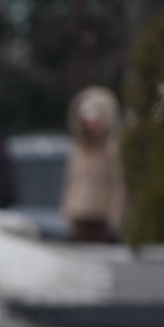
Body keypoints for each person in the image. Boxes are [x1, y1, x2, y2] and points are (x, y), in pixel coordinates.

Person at [61, 86, 126, 243]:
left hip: (101, 221)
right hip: (78, 217)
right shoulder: (78, 149)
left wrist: (115, 221)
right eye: (86, 119)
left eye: (94, 119)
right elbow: (70, 181)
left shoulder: (112, 151)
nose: (90, 124)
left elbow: (118, 187)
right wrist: (67, 212)